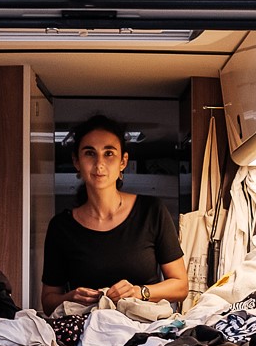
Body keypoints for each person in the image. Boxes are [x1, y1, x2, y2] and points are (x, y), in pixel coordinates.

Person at [41, 114, 188, 315]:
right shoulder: (61, 227)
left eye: (109, 153)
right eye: (89, 153)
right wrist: (69, 297)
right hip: (86, 336)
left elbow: (181, 286)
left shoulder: (151, 211)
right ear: (76, 161)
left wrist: (139, 292)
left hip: (144, 334)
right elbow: (48, 299)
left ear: (123, 161)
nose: (99, 164)